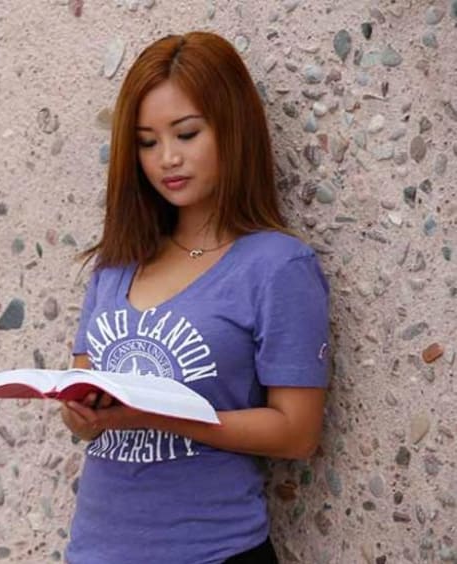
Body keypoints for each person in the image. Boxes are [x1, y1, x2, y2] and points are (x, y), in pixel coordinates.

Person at [59, 31, 330, 564]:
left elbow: (297, 433)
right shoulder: (117, 265)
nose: (167, 159)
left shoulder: (277, 266)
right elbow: (81, 397)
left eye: (186, 134)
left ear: (232, 128)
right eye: (147, 141)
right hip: (95, 548)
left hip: (211, 550)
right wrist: (82, 415)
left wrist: (153, 414)